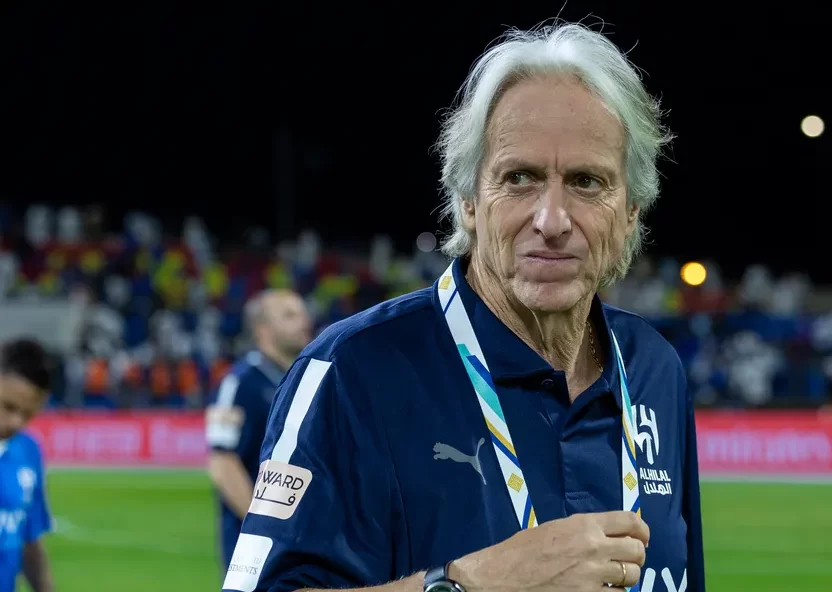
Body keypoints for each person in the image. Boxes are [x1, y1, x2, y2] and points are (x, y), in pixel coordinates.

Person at [225, 22, 704, 592]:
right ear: (468, 200)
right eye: (519, 178)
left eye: (586, 181)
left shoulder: (653, 368)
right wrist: (465, 585)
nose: (552, 220)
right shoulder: (350, 374)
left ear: (630, 212)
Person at [206, 289, 313, 572]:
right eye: (289, 315)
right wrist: (265, 528)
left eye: (302, 313)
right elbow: (222, 464)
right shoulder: (239, 383)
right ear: (262, 329)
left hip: (307, 539)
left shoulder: (308, 379)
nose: (304, 322)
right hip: (260, 548)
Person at [0, 339, 54, 592]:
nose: (15, 423)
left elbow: (30, 542)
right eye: (8, 407)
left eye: (27, 414)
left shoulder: (27, 450)